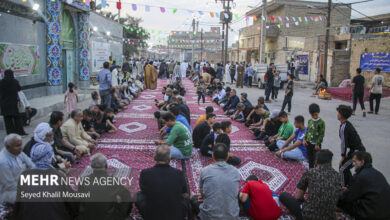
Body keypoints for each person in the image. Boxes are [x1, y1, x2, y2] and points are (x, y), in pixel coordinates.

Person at [279, 149, 341, 220]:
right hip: (329, 217)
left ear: (316, 162)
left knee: (283, 196)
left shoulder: (309, 173)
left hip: (307, 216)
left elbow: (299, 196)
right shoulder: (337, 176)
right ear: (330, 163)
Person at [136, 145, 188, 220]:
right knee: (187, 197)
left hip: (150, 216)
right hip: (176, 216)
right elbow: (183, 194)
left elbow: (143, 191)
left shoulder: (145, 173)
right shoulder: (179, 173)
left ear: (154, 158)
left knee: (137, 195)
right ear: (169, 159)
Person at [191, 143, 241, 219]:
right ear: (227, 157)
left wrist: (204, 197)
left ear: (213, 156)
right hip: (232, 217)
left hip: (209, 217)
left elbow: (202, 193)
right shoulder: (235, 172)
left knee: (194, 198)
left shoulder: (205, 171)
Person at [78, 153, 132, 220]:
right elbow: (127, 197)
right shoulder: (113, 181)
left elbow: (79, 201)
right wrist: (122, 213)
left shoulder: (83, 181)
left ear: (91, 166)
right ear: (106, 166)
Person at [338, 151, 390, 220]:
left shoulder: (360, 176)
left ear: (362, 162)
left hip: (370, 214)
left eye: (355, 161)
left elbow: (348, 197)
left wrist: (339, 192)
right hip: (385, 212)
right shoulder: (378, 173)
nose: (353, 164)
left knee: (340, 200)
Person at [0, 134, 35, 204]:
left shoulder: (19, 153)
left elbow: (32, 165)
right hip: (10, 193)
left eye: (21, 145)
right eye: (17, 146)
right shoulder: (3, 161)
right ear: (8, 147)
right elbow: (10, 185)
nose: (21, 148)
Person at [337, 105, 366, 187]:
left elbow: (344, 143)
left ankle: (342, 187)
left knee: (342, 168)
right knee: (344, 167)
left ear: (341, 115)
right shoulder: (345, 124)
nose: (337, 114)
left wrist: (343, 156)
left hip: (357, 152)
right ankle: (350, 183)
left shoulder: (344, 127)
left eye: (338, 112)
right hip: (354, 150)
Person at [0, 69, 27, 135]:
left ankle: (10, 134)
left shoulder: (1, 82)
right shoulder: (14, 81)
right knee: (17, 119)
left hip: (4, 104)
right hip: (14, 104)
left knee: (7, 120)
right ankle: (20, 132)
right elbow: (19, 89)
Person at [302, 103, 326, 168]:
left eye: (316, 114)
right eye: (313, 115)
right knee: (310, 158)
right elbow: (307, 131)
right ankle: (310, 170)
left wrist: (317, 144)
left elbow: (322, 134)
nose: (314, 116)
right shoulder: (310, 121)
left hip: (316, 145)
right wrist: (304, 139)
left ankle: (316, 171)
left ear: (319, 112)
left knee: (316, 159)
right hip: (309, 143)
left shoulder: (321, 122)